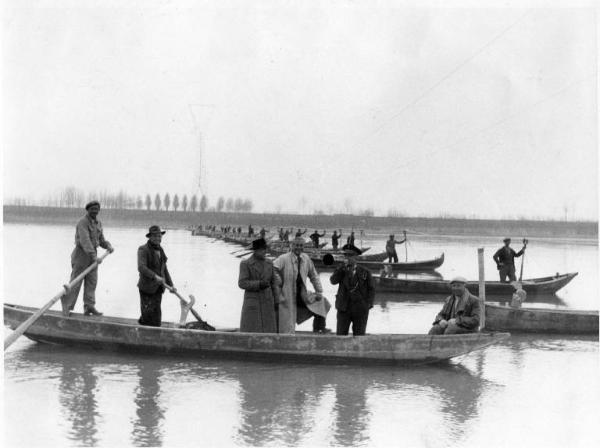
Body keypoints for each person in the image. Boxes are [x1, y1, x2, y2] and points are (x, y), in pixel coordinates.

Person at [61, 201, 114, 317]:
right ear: (88, 210)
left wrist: (108, 245)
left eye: (97, 209)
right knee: (76, 282)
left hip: (93, 256)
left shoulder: (98, 223)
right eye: (92, 209)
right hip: (81, 255)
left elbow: (101, 240)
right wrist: (94, 257)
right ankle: (67, 307)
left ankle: (89, 307)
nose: (95, 211)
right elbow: (85, 241)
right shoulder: (82, 223)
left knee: (92, 282)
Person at [273, 237, 329, 334]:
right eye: (296, 245)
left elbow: (313, 275)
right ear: (292, 246)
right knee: (287, 324)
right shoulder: (283, 258)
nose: (298, 248)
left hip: (302, 295)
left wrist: (319, 291)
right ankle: (286, 336)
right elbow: (273, 269)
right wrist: (278, 281)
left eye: (301, 245)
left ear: (304, 247)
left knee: (322, 302)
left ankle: (319, 328)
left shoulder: (306, 258)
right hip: (287, 294)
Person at [330, 247, 375, 336]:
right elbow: (333, 281)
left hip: (360, 309)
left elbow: (371, 289)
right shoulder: (341, 269)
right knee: (341, 335)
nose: (348, 257)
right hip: (343, 308)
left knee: (359, 336)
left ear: (356, 257)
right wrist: (341, 269)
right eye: (345, 255)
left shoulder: (365, 272)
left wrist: (367, 305)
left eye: (350, 255)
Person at [137, 225, 176, 327]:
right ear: (150, 237)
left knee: (156, 318)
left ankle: (153, 332)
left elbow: (165, 270)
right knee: (147, 316)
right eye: (155, 236)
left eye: (159, 236)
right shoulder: (143, 249)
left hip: (158, 288)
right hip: (146, 288)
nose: (158, 238)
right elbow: (141, 267)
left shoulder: (161, 250)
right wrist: (154, 276)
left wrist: (171, 285)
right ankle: (142, 332)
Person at [237, 238, 278, 333]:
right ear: (255, 251)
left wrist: (276, 301)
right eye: (262, 250)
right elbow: (242, 283)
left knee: (269, 331)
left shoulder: (269, 263)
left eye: (265, 249)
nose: (265, 252)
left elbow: (274, 283)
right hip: (253, 303)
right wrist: (258, 284)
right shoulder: (245, 263)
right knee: (251, 329)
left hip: (268, 302)